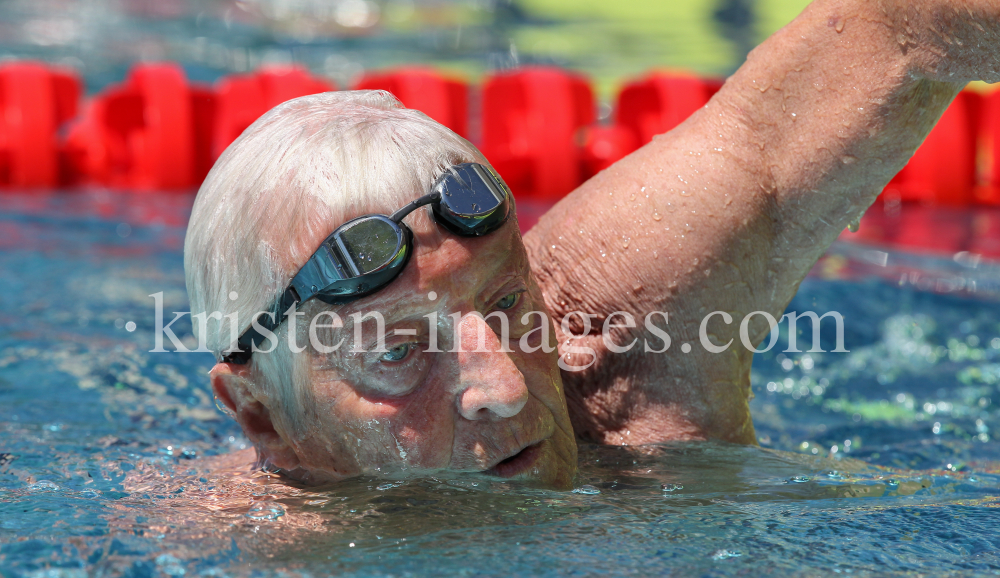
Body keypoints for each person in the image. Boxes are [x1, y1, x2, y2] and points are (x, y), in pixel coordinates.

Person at [184, 0, 1000, 488]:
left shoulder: (631, 317)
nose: (503, 386)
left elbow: (903, 24)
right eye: (397, 351)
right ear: (260, 414)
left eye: (507, 302)